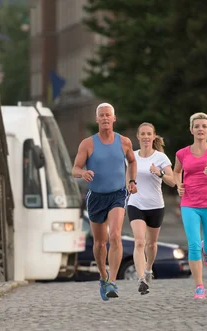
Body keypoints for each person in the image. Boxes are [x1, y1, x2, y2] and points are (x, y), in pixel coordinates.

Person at [72, 103, 137, 300]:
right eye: (102, 115)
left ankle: (113, 283)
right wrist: (83, 172)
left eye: (108, 115)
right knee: (100, 243)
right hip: (96, 197)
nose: (105, 118)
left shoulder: (124, 142)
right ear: (97, 119)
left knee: (115, 235)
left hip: (117, 194)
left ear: (114, 118)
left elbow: (132, 161)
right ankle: (103, 276)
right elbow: (75, 168)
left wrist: (132, 181)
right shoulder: (87, 144)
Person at [174, 112, 207, 299]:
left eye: (204, 126)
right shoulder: (182, 153)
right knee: (193, 245)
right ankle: (199, 287)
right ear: (191, 129)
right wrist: (178, 184)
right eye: (196, 126)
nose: (200, 129)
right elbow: (176, 172)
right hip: (189, 204)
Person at [126, 122, 176, 295]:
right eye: (143, 134)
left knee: (151, 243)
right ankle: (141, 279)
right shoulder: (132, 156)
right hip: (136, 203)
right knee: (139, 241)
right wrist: (129, 186)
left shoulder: (161, 158)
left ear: (154, 136)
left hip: (155, 205)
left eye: (149, 134)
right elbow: (127, 177)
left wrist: (159, 173)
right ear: (138, 137)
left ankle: (148, 270)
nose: (146, 137)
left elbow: (173, 181)